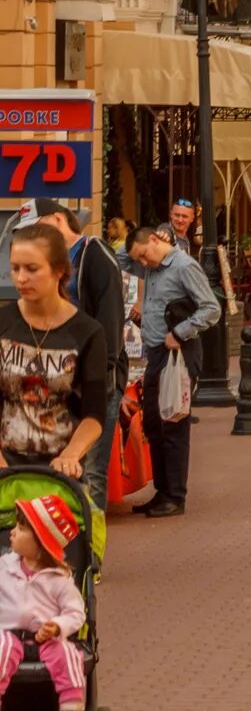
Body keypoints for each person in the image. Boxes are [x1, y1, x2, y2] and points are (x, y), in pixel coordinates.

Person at [13, 201, 125, 514]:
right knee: (54, 470)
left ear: (59, 220)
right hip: (56, 381)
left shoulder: (95, 254)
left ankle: (90, 557)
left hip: (92, 380)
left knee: (88, 470)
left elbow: (110, 320)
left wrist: (102, 376)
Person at [125, 226, 221, 517]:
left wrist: (180, 333)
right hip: (156, 353)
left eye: (143, 255)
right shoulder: (153, 268)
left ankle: (175, 495)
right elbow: (124, 255)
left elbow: (211, 308)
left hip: (178, 352)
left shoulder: (184, 266)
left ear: (155, 240)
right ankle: (162, 490)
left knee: (173, 423)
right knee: (153, 423)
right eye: (138, 260)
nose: (143, 263)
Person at [0, 225, 106, 479]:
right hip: (5, 467)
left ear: (59, 270)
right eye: (15, 269)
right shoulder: (3, 321)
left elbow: (94, 415)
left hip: (59, 472)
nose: (21, 278)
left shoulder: (87, 331)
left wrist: (71, 454)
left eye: (32, 269)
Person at [0, 495, 86, 711]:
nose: (12, 533)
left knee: (70, 655)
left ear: (40, 541)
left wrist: (58, 625)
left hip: (46, 639)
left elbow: (75, 612)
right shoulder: (4, 567)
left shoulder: (59, 578)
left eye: (21, 528)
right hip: (8, 634)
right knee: (1, 650)